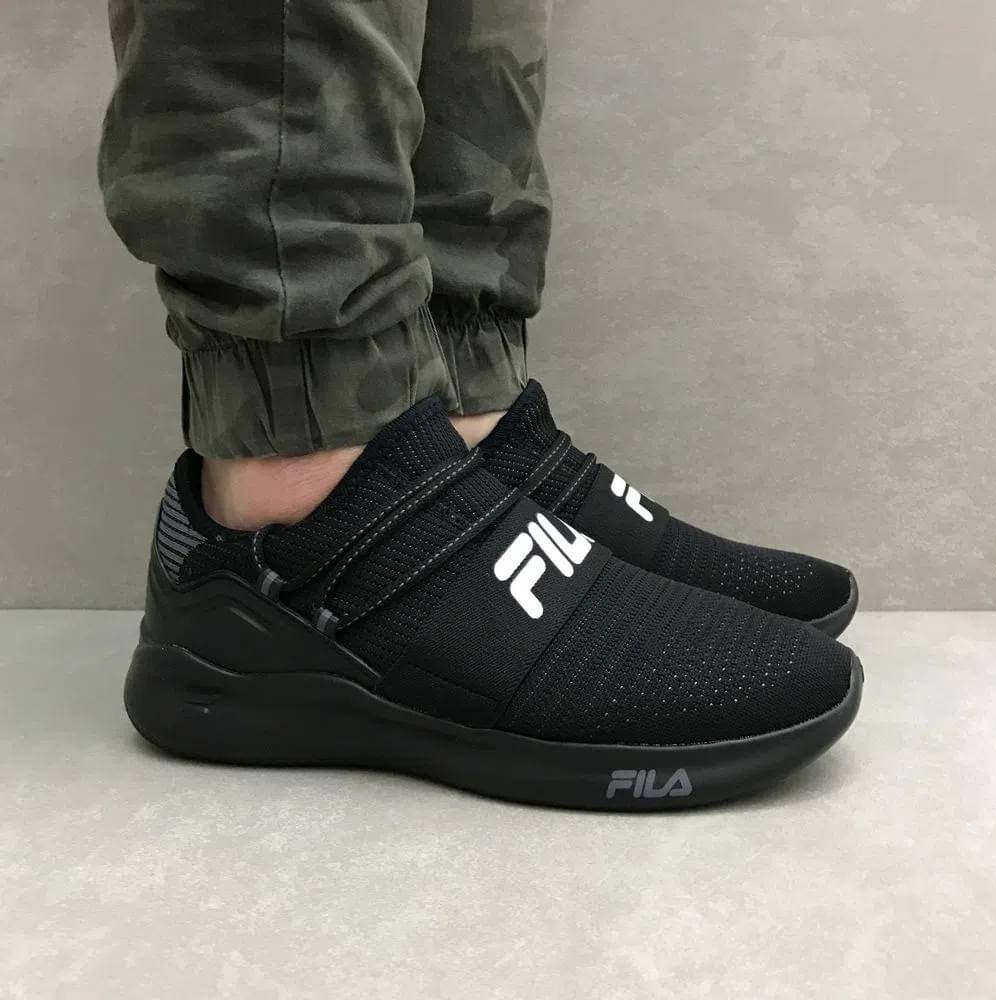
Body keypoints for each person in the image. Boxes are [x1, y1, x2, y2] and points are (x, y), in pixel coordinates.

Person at [102, 0, 862, 809]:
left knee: (478, 39)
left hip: (437, 398)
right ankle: (311, 473)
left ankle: (467, 426)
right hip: (302, 501)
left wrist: (469, 361)